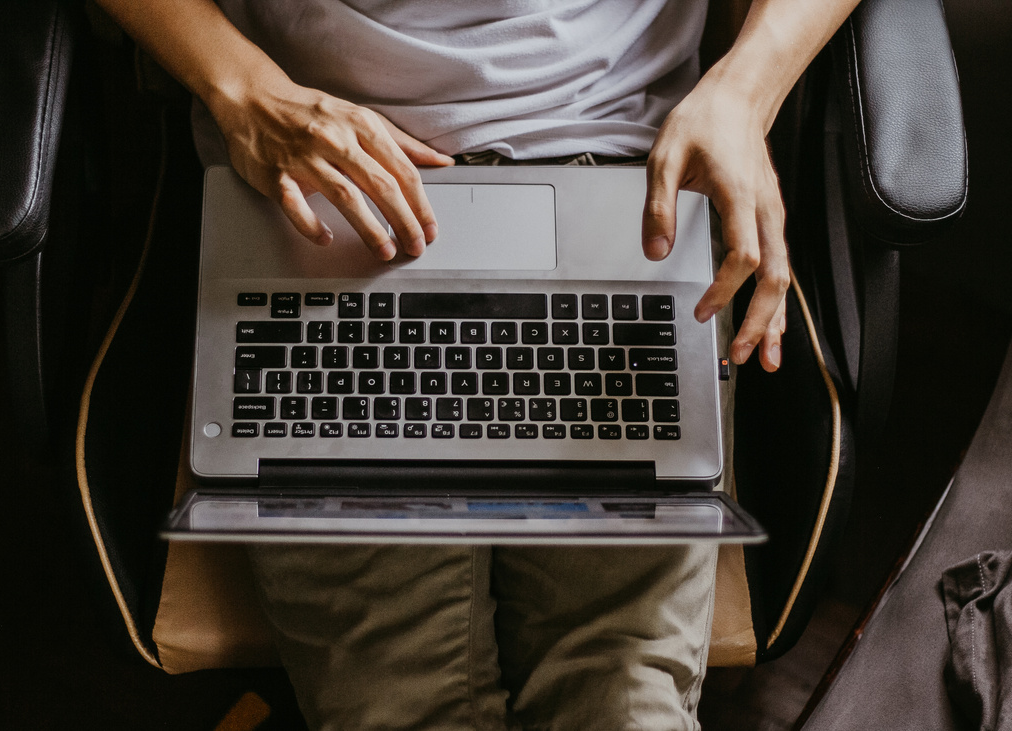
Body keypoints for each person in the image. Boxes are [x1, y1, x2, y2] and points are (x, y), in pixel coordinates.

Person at [95, 1, 861, 728]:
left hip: (621, 186)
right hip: (331, 185)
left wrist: (744, 89)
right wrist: (241, 87)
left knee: (622, 701)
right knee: (395, 706)